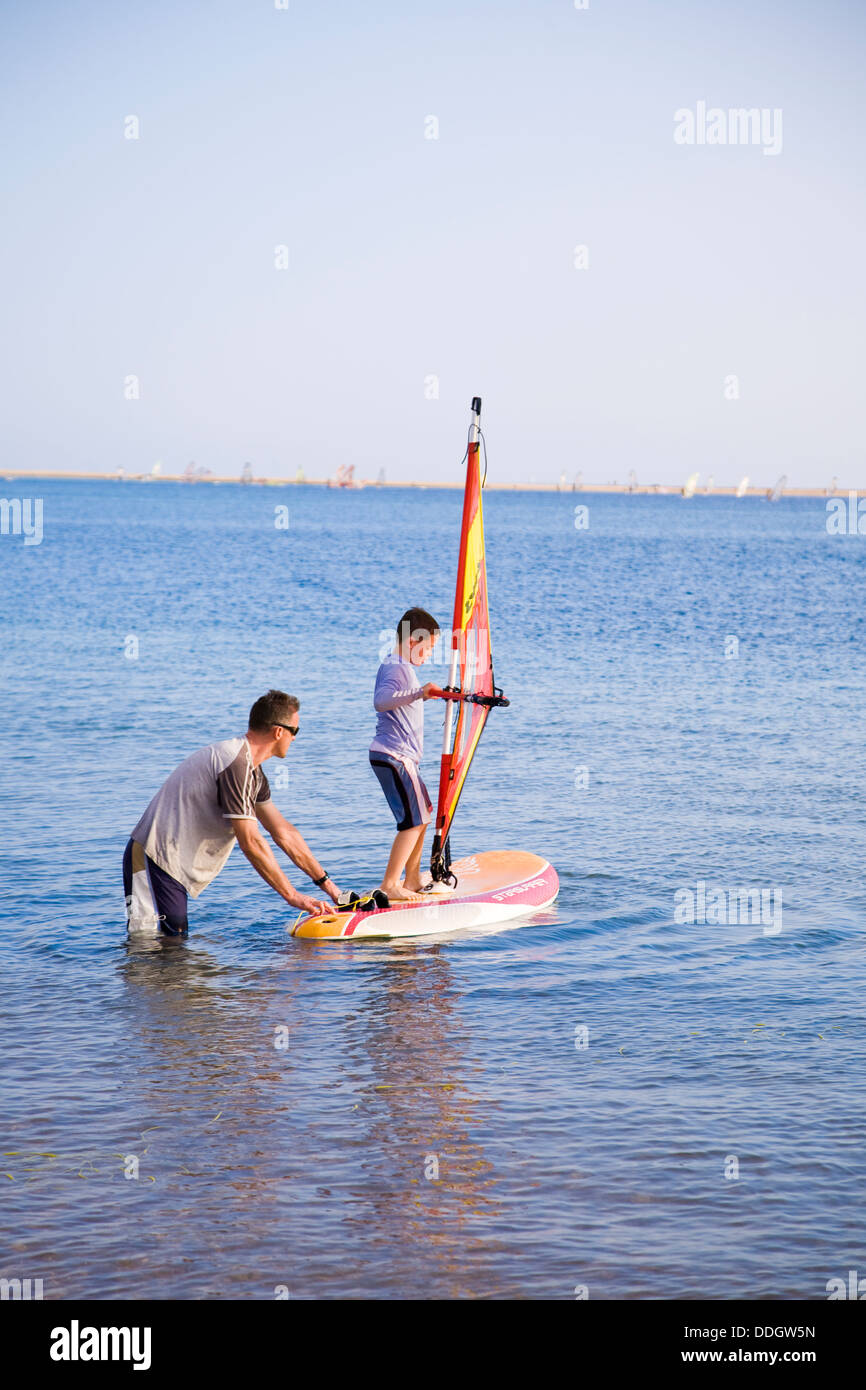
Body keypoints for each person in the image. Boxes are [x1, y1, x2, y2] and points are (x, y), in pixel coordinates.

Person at [123, 689, 340, 935]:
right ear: (279, 732)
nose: (295, 739)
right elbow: (251, 841)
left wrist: (331, 889)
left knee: (173, 944)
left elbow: (283, 832)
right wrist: (292, 896)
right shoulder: (235, 764)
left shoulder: (252, 771)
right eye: (295, 732)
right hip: (153, 857)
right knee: (154, 945)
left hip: (170, 862)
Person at [369, 608, 444, 902]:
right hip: (393, 756)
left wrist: (429, 693)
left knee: (422, 813)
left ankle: (412, 878)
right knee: (412, 821)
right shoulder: (396, 667)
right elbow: (380, 702)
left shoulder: (400, 667)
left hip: (400, 758)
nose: (427, 657)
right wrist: (418, 694)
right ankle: (390, 884)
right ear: (414, 640)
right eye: (428, 649)